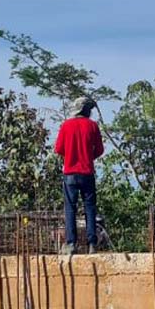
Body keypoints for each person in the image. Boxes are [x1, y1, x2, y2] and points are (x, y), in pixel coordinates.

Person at [54, 96, 104, 254]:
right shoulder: (92, 126)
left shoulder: (66, 126)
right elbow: (100, 150)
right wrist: (88, 157)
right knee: (90, 208)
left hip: (70, 174)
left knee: (70, 208)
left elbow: (59, 149)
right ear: (86, 110)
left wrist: (71, 155)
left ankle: (71, 243)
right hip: (87, 172)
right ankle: (92, 244)